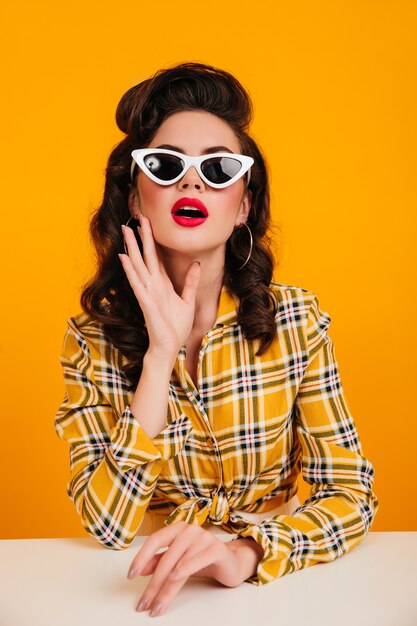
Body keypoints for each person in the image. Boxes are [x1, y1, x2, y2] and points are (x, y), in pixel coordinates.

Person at [54, 61, 379, 617]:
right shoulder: (93, 339)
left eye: (220, 168)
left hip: (280, 591)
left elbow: (351, 495)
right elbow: (107, 526)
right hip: (136, 593)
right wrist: (159, 360)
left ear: (244, 205)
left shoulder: (296, 322)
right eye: (165, 164)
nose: (192, 181)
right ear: (135, 200)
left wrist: (245, 552)